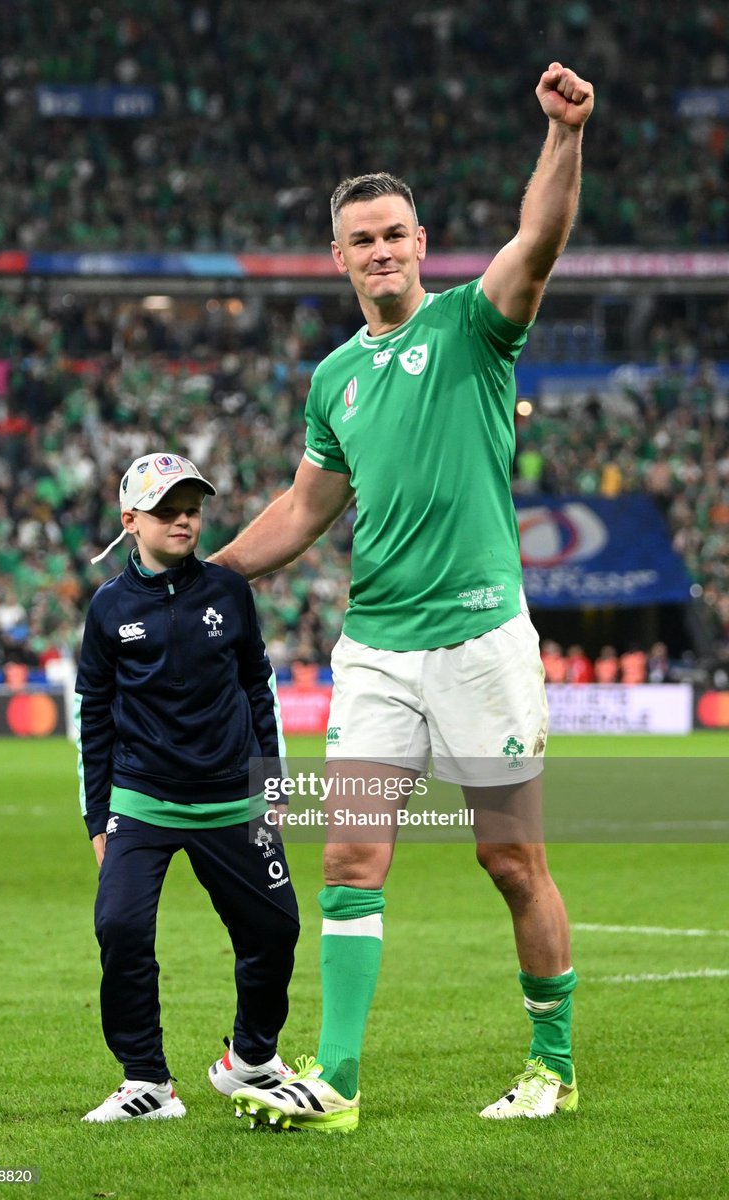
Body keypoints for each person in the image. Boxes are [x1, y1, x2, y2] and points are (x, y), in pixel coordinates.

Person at [214, 62, 594, 1131]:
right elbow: (303, 508)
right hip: (375, 646)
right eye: (361, 238)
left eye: (395, 234)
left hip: (478, 637)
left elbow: (539, 241)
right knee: (346, 855)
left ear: (420, 245)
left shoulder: (474, 326)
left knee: (510, 859)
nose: (381, 250)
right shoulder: (332, 377)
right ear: (337, 258)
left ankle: (551, 1065)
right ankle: (334, 1080)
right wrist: (211, 569)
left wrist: (562, 137)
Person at [76, 451, 299, 1123]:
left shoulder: (229, 592)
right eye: (168, 509)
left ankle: (252, 1059)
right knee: (119, 926)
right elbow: (93, 717)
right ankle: (147, 1083)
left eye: (192, 508)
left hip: (235, 796)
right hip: (143, 801)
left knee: (275, 931)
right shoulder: (108, 607)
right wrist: (97, 819)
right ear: (131, 520)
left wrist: (273, 788)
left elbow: (260, 690)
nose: (184, 519)